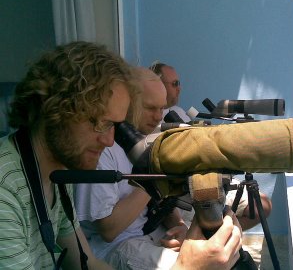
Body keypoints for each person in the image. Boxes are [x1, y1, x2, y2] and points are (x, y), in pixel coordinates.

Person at [0, 42, 242, 270]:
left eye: (115, 125)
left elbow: (88, 265)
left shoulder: (55, 179)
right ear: (54, 109)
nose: (108, 140)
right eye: (100, 123)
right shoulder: (5, 189)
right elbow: (105, 235)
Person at [74, 68, 196, 269]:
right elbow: (108, 230)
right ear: (127, 104)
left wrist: (179, 227)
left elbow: (162, 201)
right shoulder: (104, 148)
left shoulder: (149, 138)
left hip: (146, 231)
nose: (159, 117)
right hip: (113, 247)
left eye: (161, 109)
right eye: (150, 108)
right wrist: (153, 179)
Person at [151, 62, 272, 230]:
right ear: (157, 85)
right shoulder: (150, 123)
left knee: (262, 207)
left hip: (210, 176)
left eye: (179, 83)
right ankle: (213, 237)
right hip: (189, 190)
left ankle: (220, 235)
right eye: (175, 84)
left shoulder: (177, 111)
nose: (179, 88)